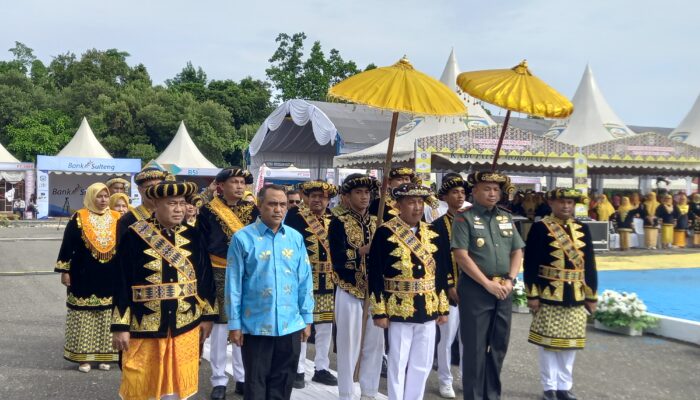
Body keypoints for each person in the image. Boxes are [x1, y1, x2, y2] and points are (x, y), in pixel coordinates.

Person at [111, 180, 217, 400]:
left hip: (185, 322)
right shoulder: (134, 235)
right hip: (145, 323)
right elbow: (121, 281)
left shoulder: (193, 235)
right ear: (155, 204)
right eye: (172, 203)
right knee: (141, 381)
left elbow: (205, 277)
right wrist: (120, 326)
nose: (179, 209)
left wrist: (208, 316)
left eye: (181, 203)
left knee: (177, 387)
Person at [226, 184, 314, 400]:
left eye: (283, 205)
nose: (278, 209)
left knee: (283, 384)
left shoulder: (295, 238)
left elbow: (304, 279)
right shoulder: (242, 238)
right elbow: (233, 285)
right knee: (255, 385)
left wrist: (307, 318)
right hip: (256, 327)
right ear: (259, 205)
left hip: (290, 325)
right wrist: (235, 324)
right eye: (272, 204)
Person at [368, 183, 449, 400]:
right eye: (411, 202)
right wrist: (379, 311)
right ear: (398, 205)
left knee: (422, 363)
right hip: (398, 307)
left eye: (420, 202)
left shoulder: (433, 232)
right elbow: (375, 273)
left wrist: (443, 307)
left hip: (428, 307)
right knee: (398, 361)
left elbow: (441, 271)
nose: (417, 207)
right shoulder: (385, 232)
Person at [451, 171, 525, 400]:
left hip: (503, 288)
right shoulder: (464, 218)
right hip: (476, 290)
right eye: (486, 188)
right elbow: (461, 255)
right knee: (474, 349)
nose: (492, 193)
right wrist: (486, 284)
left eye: (496, 189)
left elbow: (517, 251)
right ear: (474, 191)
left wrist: (511, 280)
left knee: (499, 345)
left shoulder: (506, 217)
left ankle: (492, 395)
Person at [524, 189, 598, 400]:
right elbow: (530, 263)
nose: (566, 206)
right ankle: (549, 387)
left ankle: (564, 386)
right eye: (562, 202)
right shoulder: (540, 228)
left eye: (570, 202)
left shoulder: (583, 228)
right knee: (549, 345)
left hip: (575, 296)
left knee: (570, 344)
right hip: (549, 294)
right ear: (551, 203)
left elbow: (590, 265)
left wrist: (591, 296)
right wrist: (533, 294)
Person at [198, 167, 259, 399]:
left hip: (246, 272)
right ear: (221, 185)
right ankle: (219, 380)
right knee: (221, 326)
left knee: (243, 323)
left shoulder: (252, 210)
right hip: (218, 270)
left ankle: (242, 377)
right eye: (235, 181)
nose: (240, 186)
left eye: (243, 182)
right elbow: (201, 246)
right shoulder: (208, 211)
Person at [328, 173, 383, 400]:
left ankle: (369, 391)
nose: (364, 197)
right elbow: (337, 257)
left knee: (375, 343)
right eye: (358, 192)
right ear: (347, 197)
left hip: (374, 291)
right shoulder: (338, 222)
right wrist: (361, 251)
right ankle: (346, 393)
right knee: (349, 344)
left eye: (367, 192)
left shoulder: (377, 222)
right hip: (349, 288)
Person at [55, 182, 120, 372]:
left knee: (107, 314)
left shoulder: (117, 218)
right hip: (82, 273)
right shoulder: (79, 217)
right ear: (91, 197)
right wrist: (64, 271)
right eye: (99, 196)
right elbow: (68, 245)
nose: (103, 200)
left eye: (106, 196)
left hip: (110, 273)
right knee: (83, 315)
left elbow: (125, 245)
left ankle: (105, 356)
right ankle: (83, 358)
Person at [284, 180, 339, 388]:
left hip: (328, 282)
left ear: (328, 200)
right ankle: (298, 369)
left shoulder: (334, 219)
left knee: (325, 327)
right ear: (306, 197)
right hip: (302, 282)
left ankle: (322, 368)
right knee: (301, 327)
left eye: (322, 197)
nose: (318, 200)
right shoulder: (294, 217)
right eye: (313, 196)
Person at [431, 175, 468, 399]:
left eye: (462, 192)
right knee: (446, 338)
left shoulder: (472, 221)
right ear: (444, 197)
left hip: (473, 289)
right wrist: (449, 285)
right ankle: (445, 379)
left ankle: (467, 376)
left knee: (469, 337)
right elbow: (438, 260)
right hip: (449, 290)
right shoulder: (437, 226)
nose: (460, 195)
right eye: (455, 192)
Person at [117, 166, 169, 239]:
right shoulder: (127, 220)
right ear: (140, 190)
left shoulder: (173, 215)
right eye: (149, 187)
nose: (155, 190)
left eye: (159, 186)